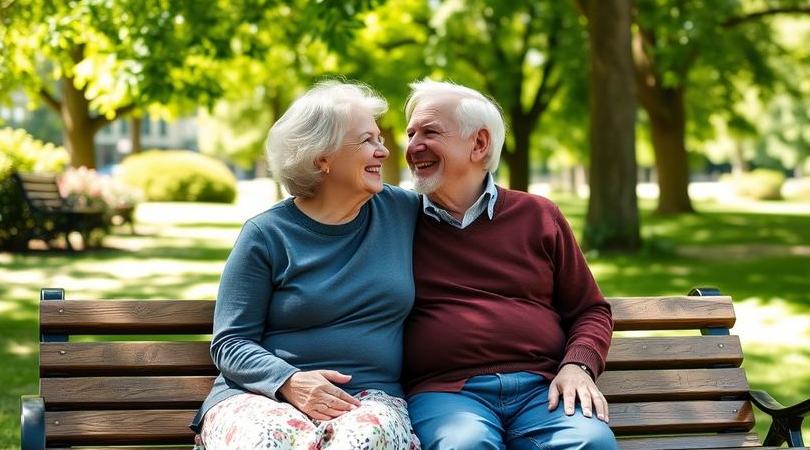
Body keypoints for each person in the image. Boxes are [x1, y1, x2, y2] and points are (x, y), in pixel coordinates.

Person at [191, 80, 421, 450]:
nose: (383, 151)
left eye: (379, 139)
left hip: (368, 399)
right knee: (271, 442)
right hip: (262, 396)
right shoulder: (266, 235)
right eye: (367, 141)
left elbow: (470, 205)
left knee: (365, 440)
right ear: (322, 157)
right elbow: (230, 342)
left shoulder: (403, 212)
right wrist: (289, 381)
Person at [401, 79, 617, 450]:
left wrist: (577, 366)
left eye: (430, 132)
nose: (412, 146)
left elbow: (590, 309)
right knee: (465, 446)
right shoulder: (396, 220)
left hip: (542, 389)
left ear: (479, 144)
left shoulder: (538, 215)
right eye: (411, 133)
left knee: (591, 443)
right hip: (448, 393)